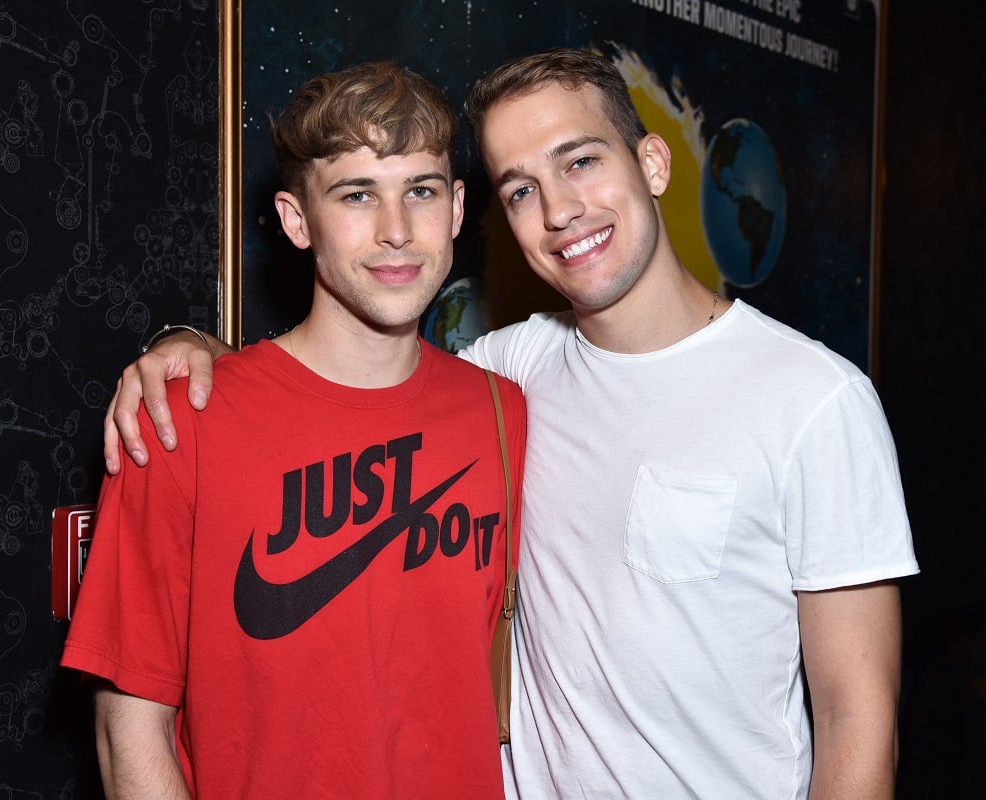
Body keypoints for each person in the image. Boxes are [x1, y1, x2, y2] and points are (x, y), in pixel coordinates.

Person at [105, 48, 919, 799]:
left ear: (653, 161)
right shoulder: (514, 373)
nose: (560, 210)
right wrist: (186, 351)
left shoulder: (814, 400)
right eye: (522, 189)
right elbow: (334, 376)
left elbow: (859, 718)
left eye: (581, 162)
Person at [62, 61, 525, 799]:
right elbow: (130, 730)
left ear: (459, 207)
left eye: (422, 191)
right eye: (357, 195)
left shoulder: (506, 415)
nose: (397, 231)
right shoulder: (180, 422)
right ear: (296, 219)